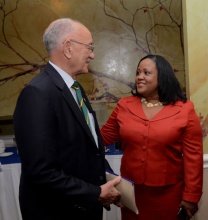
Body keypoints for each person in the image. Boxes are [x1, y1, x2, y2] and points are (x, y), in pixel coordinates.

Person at [13, 18, 121, 220]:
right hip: (58, 212)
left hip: (83, 208)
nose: (92, 54)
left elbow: (89, 149)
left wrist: (109, 181)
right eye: (89, 46)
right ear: (68, 48)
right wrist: (95, 193)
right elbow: (41, 172)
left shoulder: (75, 89)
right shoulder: (37, 94)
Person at [100, 54, 203, 220]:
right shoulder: (124, 105)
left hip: (169, 195)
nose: (139, 77)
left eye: (146, 73)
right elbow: (101, 139)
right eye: (138, 72)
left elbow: (194, 158)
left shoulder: (185, 109)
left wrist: (191, 196)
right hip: (131, 194)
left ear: (162, 77)